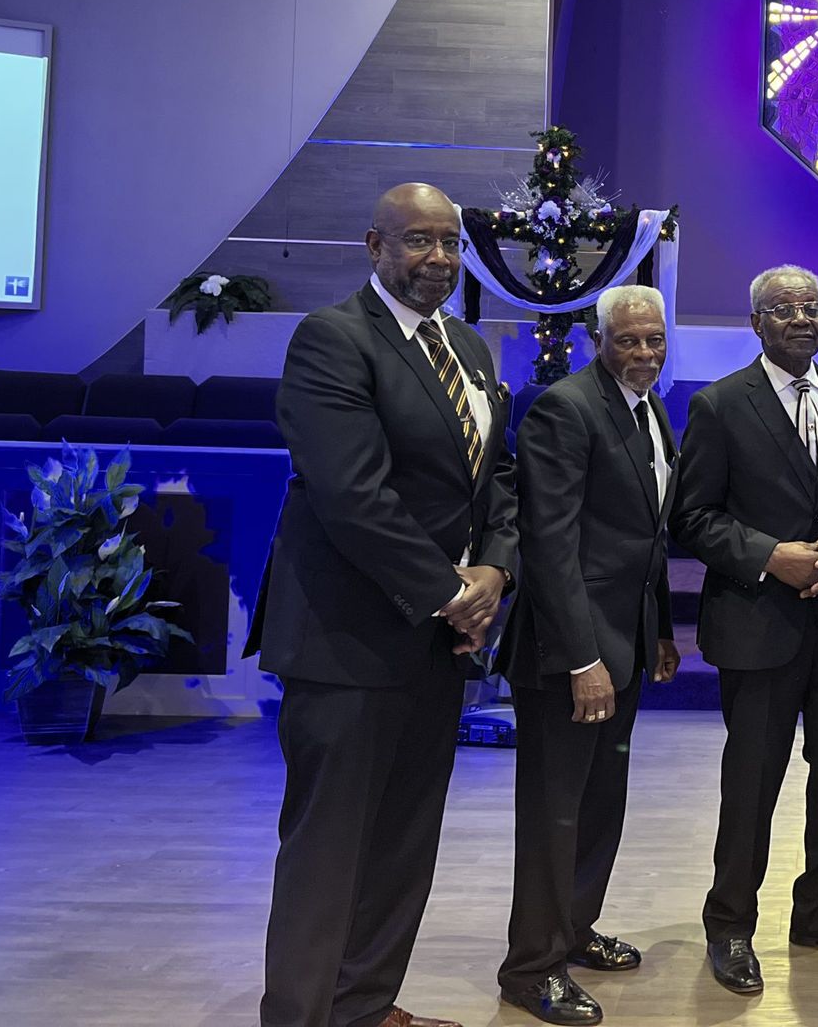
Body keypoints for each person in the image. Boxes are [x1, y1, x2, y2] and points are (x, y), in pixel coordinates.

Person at [249, 182, 518, 1027]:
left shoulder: (467, 346)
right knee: (328, 850)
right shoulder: (333, 339)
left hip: (433, 646)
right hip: (347, 641)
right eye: (418, 240)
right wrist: (451, 594)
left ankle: (363, 1006)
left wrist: (496, 570)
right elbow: (352, 495)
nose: (438, 257)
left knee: (404, 841)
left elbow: (495, 479)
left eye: (450, 242)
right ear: (376, 246)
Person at [668, 266, 818, 996]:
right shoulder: (717, 405)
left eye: (812, 307)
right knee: (752, 784)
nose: (802, 319)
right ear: (757, 323)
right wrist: (772, 556)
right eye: (784, 309)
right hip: (757, 624)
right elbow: (692, 518)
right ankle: (730, 924)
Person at [496, 284, 682, 1025]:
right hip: (568, 655)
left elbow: (645, 536)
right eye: (628, 340)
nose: (644, 352)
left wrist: (658, 629)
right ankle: (530, 968)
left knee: (601, 804)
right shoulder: (565, 409)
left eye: (654, 339)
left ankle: (573, 930)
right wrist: (582, 659)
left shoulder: (648, 407)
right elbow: (549, 544)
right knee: (555, 816)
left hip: (625, 642)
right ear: (598, 340)